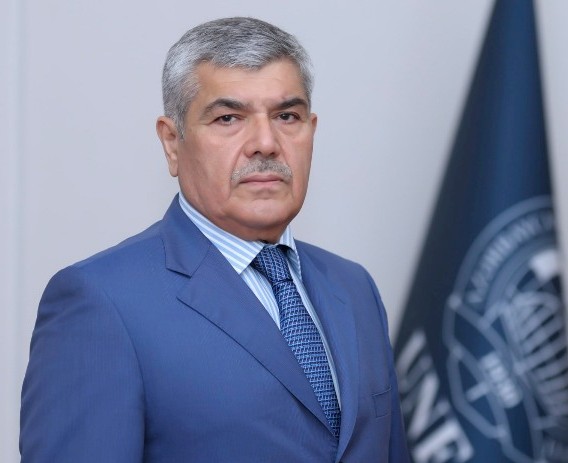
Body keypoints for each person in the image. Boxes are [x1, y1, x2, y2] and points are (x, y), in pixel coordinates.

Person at [20, 17, 410, 463]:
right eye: (228, 118)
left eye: (287, 116)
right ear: (172, 142)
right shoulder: (100, 303)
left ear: (312, 130)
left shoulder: (354, 288)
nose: (266, 143)